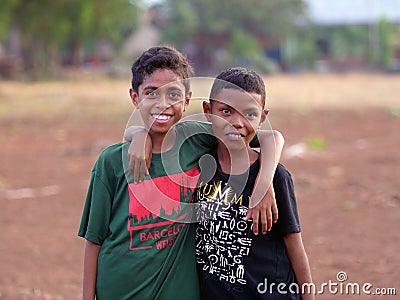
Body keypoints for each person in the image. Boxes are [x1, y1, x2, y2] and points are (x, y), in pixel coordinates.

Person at [78, 46, 283, 299]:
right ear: (135, 98)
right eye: (151, 93)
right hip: (119, 291)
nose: (163, 104)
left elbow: (271, 137)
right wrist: (137, 133)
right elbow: (94, 241)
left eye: (173, 94)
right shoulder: (110, 162)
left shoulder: (195, 140)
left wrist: (264, 185)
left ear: (187, 100)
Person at [195, 67, 314, 299]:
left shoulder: (276, 176)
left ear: (263, 117)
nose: (237, 122)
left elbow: (295, 246)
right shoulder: (197, 167)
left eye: (250, 114)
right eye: (226, 111)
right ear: (208, 112)